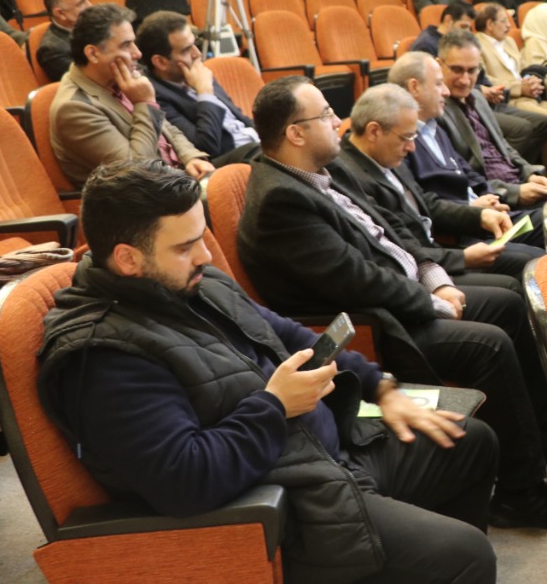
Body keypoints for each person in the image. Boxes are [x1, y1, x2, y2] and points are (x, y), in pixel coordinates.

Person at [38, 158, 500, 584]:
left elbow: (289, 335)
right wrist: (275, 407)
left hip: (324, 454)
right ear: (128, 259)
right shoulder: (104, 356)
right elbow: (185, 481)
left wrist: (381, 388)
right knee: (464, 555)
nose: (205, 256)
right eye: (185, 246)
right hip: (286, 509)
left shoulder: (192, 282)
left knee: (471, 442)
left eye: (201, 237)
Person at [237, 77, 547, 531]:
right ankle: (522, 492)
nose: (337, 120)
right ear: (296, 133)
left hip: (400, 292)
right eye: (325, 114)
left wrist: (434, 277)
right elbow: (356, 281)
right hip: (371, 327)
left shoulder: (323, 169)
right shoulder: (280, 200)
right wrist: (429, 302)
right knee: (490, 344)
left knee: (509, 302)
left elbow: (392, 230)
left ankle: (532, 434)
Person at [337, 84, 544, 281]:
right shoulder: (351, 177)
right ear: (374, 132)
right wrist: (462, 259)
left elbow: (428, 204)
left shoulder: (386, 153)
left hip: (435, 252)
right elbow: (396, 245)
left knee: (536, 259)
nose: (412, 147)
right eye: (406, 137)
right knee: (522, 277)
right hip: (421, 268)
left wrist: (480, 216)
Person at [51, 4, 214, 187]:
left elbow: (166, 129)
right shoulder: (74, 109)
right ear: (93, 53)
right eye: (126, 45)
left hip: (176, 180)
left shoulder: (120, 78)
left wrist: (190, 157)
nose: (137, 53)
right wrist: (145, 103)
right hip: (146, 195)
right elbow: (138, 171)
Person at [434, 33, 547, 202]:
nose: (465, 80)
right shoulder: (437, 111)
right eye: (457, 70)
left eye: (472, 70)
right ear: (439, 65)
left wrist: (529, 174)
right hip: (497, 199)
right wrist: (515, 192)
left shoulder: (477, 97)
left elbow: (504, 147)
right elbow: (466, 178)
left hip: (518, 184)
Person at [136, 11, 261, 166]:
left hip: (255, 147)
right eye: (186, 50)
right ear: (161, 62)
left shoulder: (197, 71)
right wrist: (205, 93)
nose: (197, 53)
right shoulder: (155, 96)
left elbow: (240, 119)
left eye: (195, 44)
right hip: (226, 161)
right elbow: (206, 147)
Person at [475, 4, 547, 116]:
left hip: (530, 96)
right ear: (490, 24)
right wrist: (519, 88)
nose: (509, 25)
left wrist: (530, 81)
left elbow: (524, 68)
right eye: (504, 21)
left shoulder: (509, 41)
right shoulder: (476, 45)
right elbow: (485, 80)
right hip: (509, 100)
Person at [34, 0, 90, 82]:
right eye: (81, 3)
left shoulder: (95, 24)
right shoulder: (51, 50)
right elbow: (88, 82)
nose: (90, 6)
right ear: (60, 13)